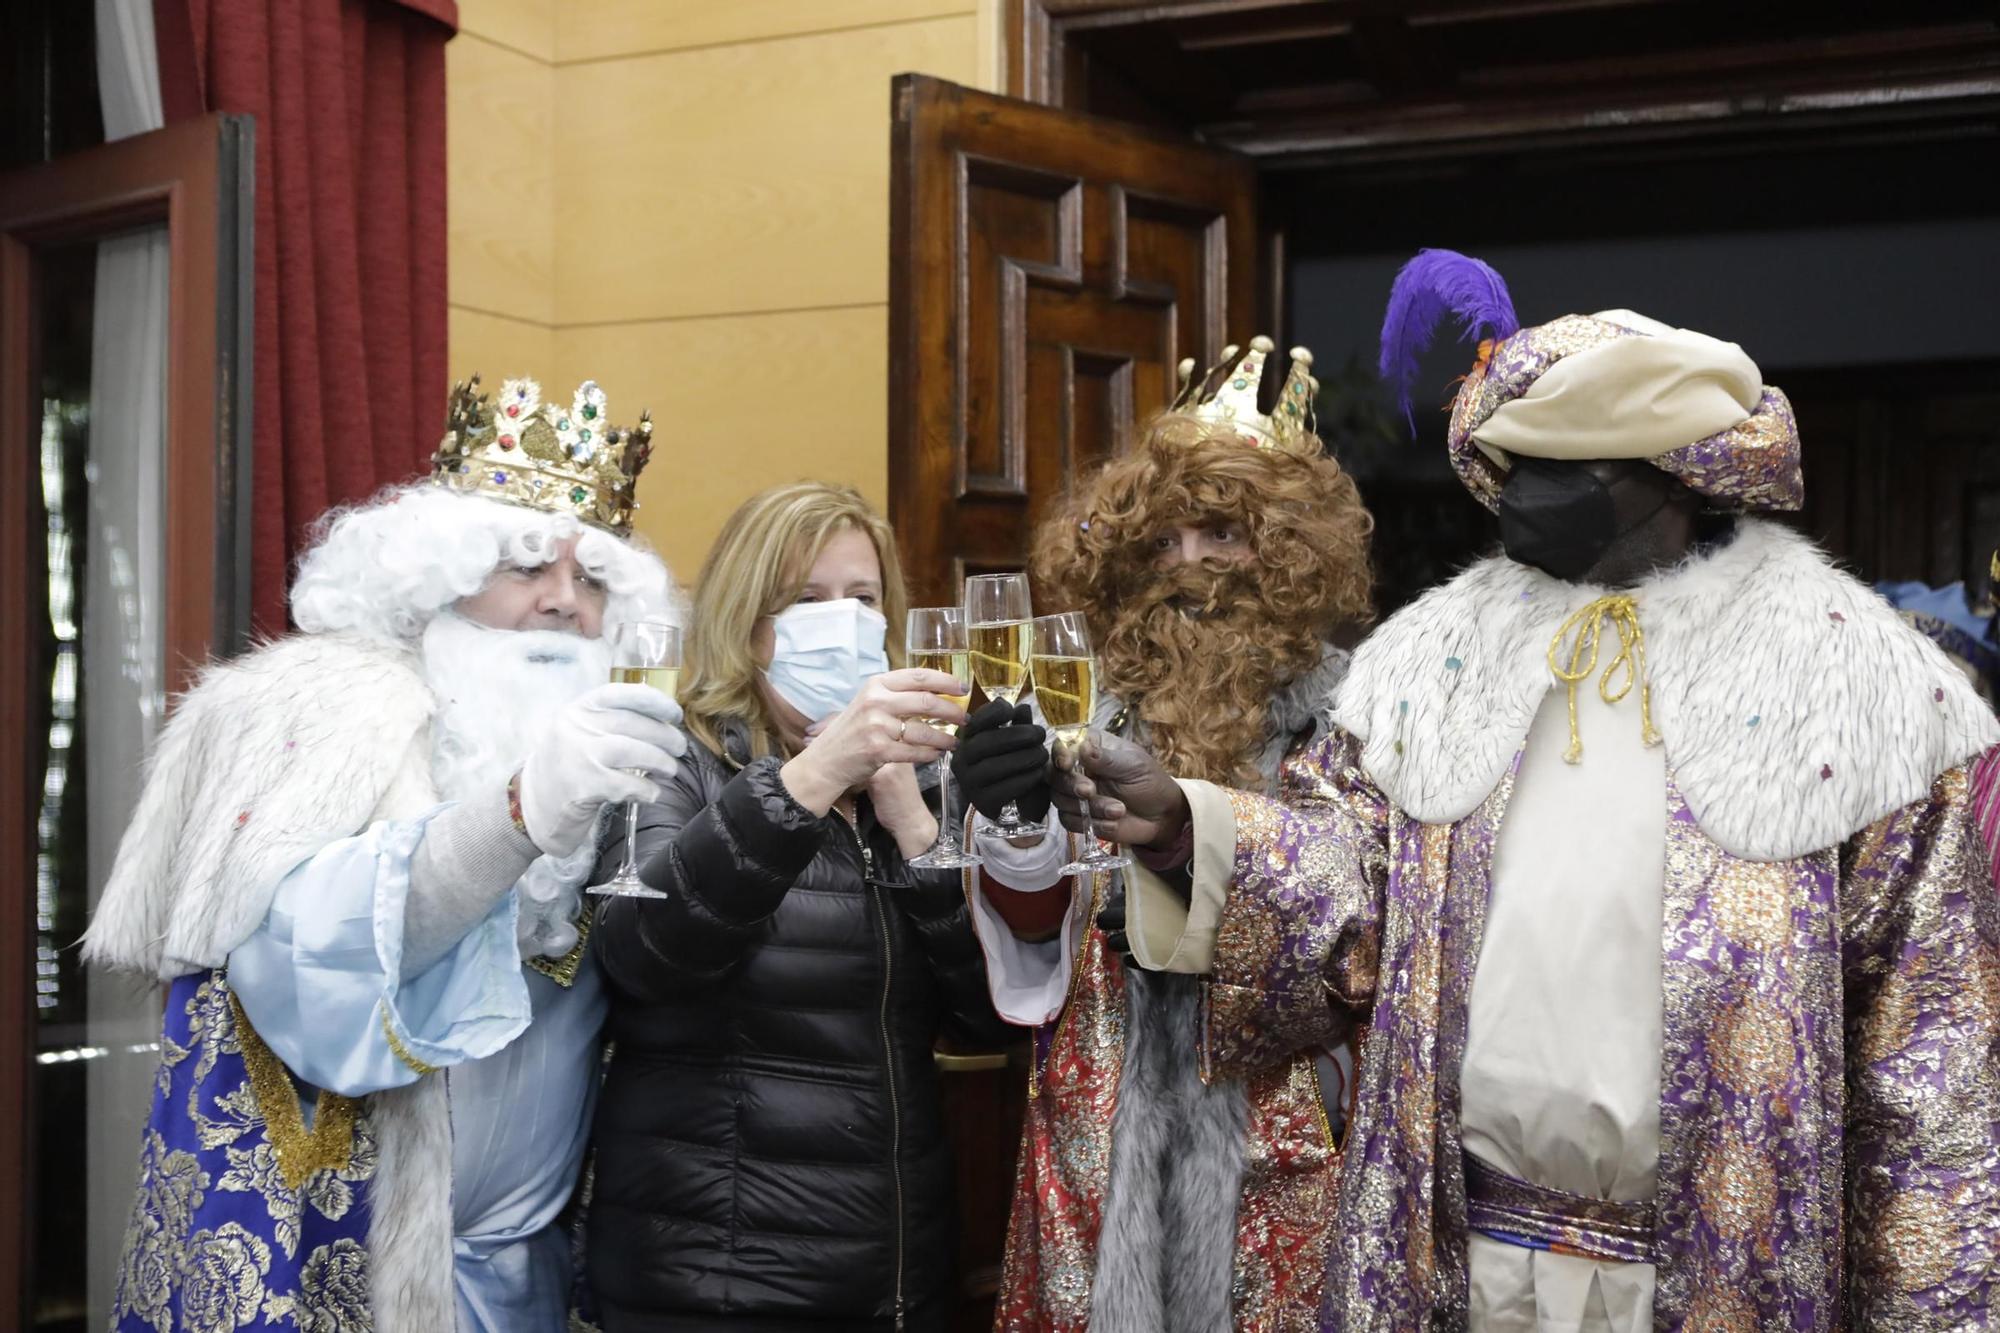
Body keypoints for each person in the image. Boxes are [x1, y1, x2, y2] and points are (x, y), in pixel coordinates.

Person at [1052, 253, 2000, 1330]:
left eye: (1562, 465)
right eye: (1508, 461)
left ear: (1675, 476)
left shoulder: (1857, 688)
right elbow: (1347, 881)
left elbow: (1929, 1075)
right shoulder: (1430, 665)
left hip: (1722, 1269)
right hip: (1461, 1261)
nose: (1520, 492)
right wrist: (1186, 827)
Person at [87, 375, 681, 1332]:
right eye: (528, 564)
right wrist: (523, 810)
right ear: (436, 574)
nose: (565, 603)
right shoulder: (319, 709)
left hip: (532, 1274)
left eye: (594, 578)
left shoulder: (635, 739)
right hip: (338, 1259)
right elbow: (304, 948)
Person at [948, 339, 1374, 1331]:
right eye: (1161, 543)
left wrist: (1193, 838)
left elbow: (1369, 922)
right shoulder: (1077, 703)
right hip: (1095, 1124)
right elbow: (1030, 931)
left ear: (1286, 551)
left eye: (1221, 535)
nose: (1188, 569)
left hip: (1283, 1129)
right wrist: (1013, 822)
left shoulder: (1362, 716)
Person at [585, 482, 1008, 1333]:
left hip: (894, 1277)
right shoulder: (674, 754)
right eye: (806, 601)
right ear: (749, 620)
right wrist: (809, 779)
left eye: (861, 598)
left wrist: (916, 826)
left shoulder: (921, 777)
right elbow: (646, 955)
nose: (842, 622)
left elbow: (990, 1017)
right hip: (718, 1282)